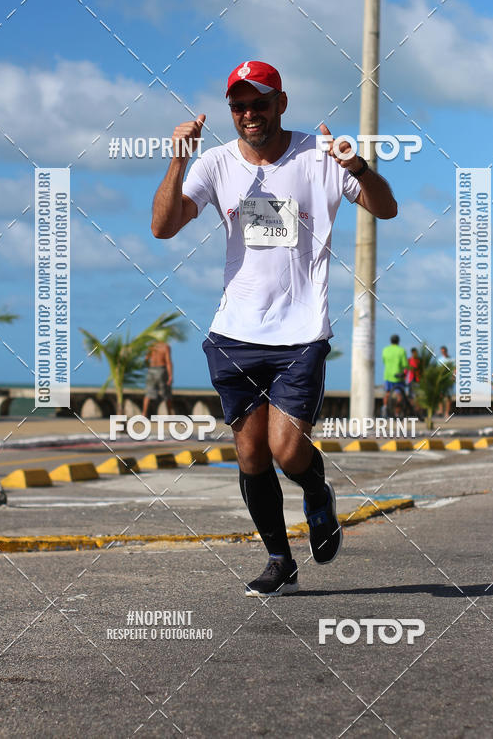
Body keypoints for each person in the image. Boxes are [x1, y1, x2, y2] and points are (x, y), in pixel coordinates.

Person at [151, 60, 397, 596]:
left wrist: (357, 166)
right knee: (251, 455)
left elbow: (387, 209)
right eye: (238, 106)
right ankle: (279, 561)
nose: (249, 114)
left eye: (259, 103)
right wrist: (178, 160)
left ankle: (317, 492)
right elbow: (163, 227)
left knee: (287, 451)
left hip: (300, 335)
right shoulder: (215, 163)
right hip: (234, 335)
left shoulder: (320, 155)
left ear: (281, 103)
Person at [142, 341, 175, 417]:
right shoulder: (165, 347)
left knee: (148, 394)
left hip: (151, 370)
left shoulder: (151, 346)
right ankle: (170, 414)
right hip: (161, 370)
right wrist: (170, 376)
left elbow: (146, 359)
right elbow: (168, 362)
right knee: (166, 394)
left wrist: (149, 367)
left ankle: (144, 414)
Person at [381, 335, 408, 415]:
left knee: (387, 393)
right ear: (398, 341)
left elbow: (384, 361)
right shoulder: (401, 350)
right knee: (399, 395)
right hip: (398, 376)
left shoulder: (385, 350)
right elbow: (405, 364)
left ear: (390, 341)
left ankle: (385, 409)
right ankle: (397, 412)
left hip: (388, 375)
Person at [437, 345, 455, 418]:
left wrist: (453, 376)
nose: (443, 353)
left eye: (444, 351)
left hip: (449, 380)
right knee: (440, 396)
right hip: (442, 380)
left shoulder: (452, 359)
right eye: (442, 352)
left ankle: (447, 412)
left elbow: (455, 369)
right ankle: (440, 410)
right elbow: (438, 370)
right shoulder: (440, 359)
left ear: (446, 351)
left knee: (448, 397)